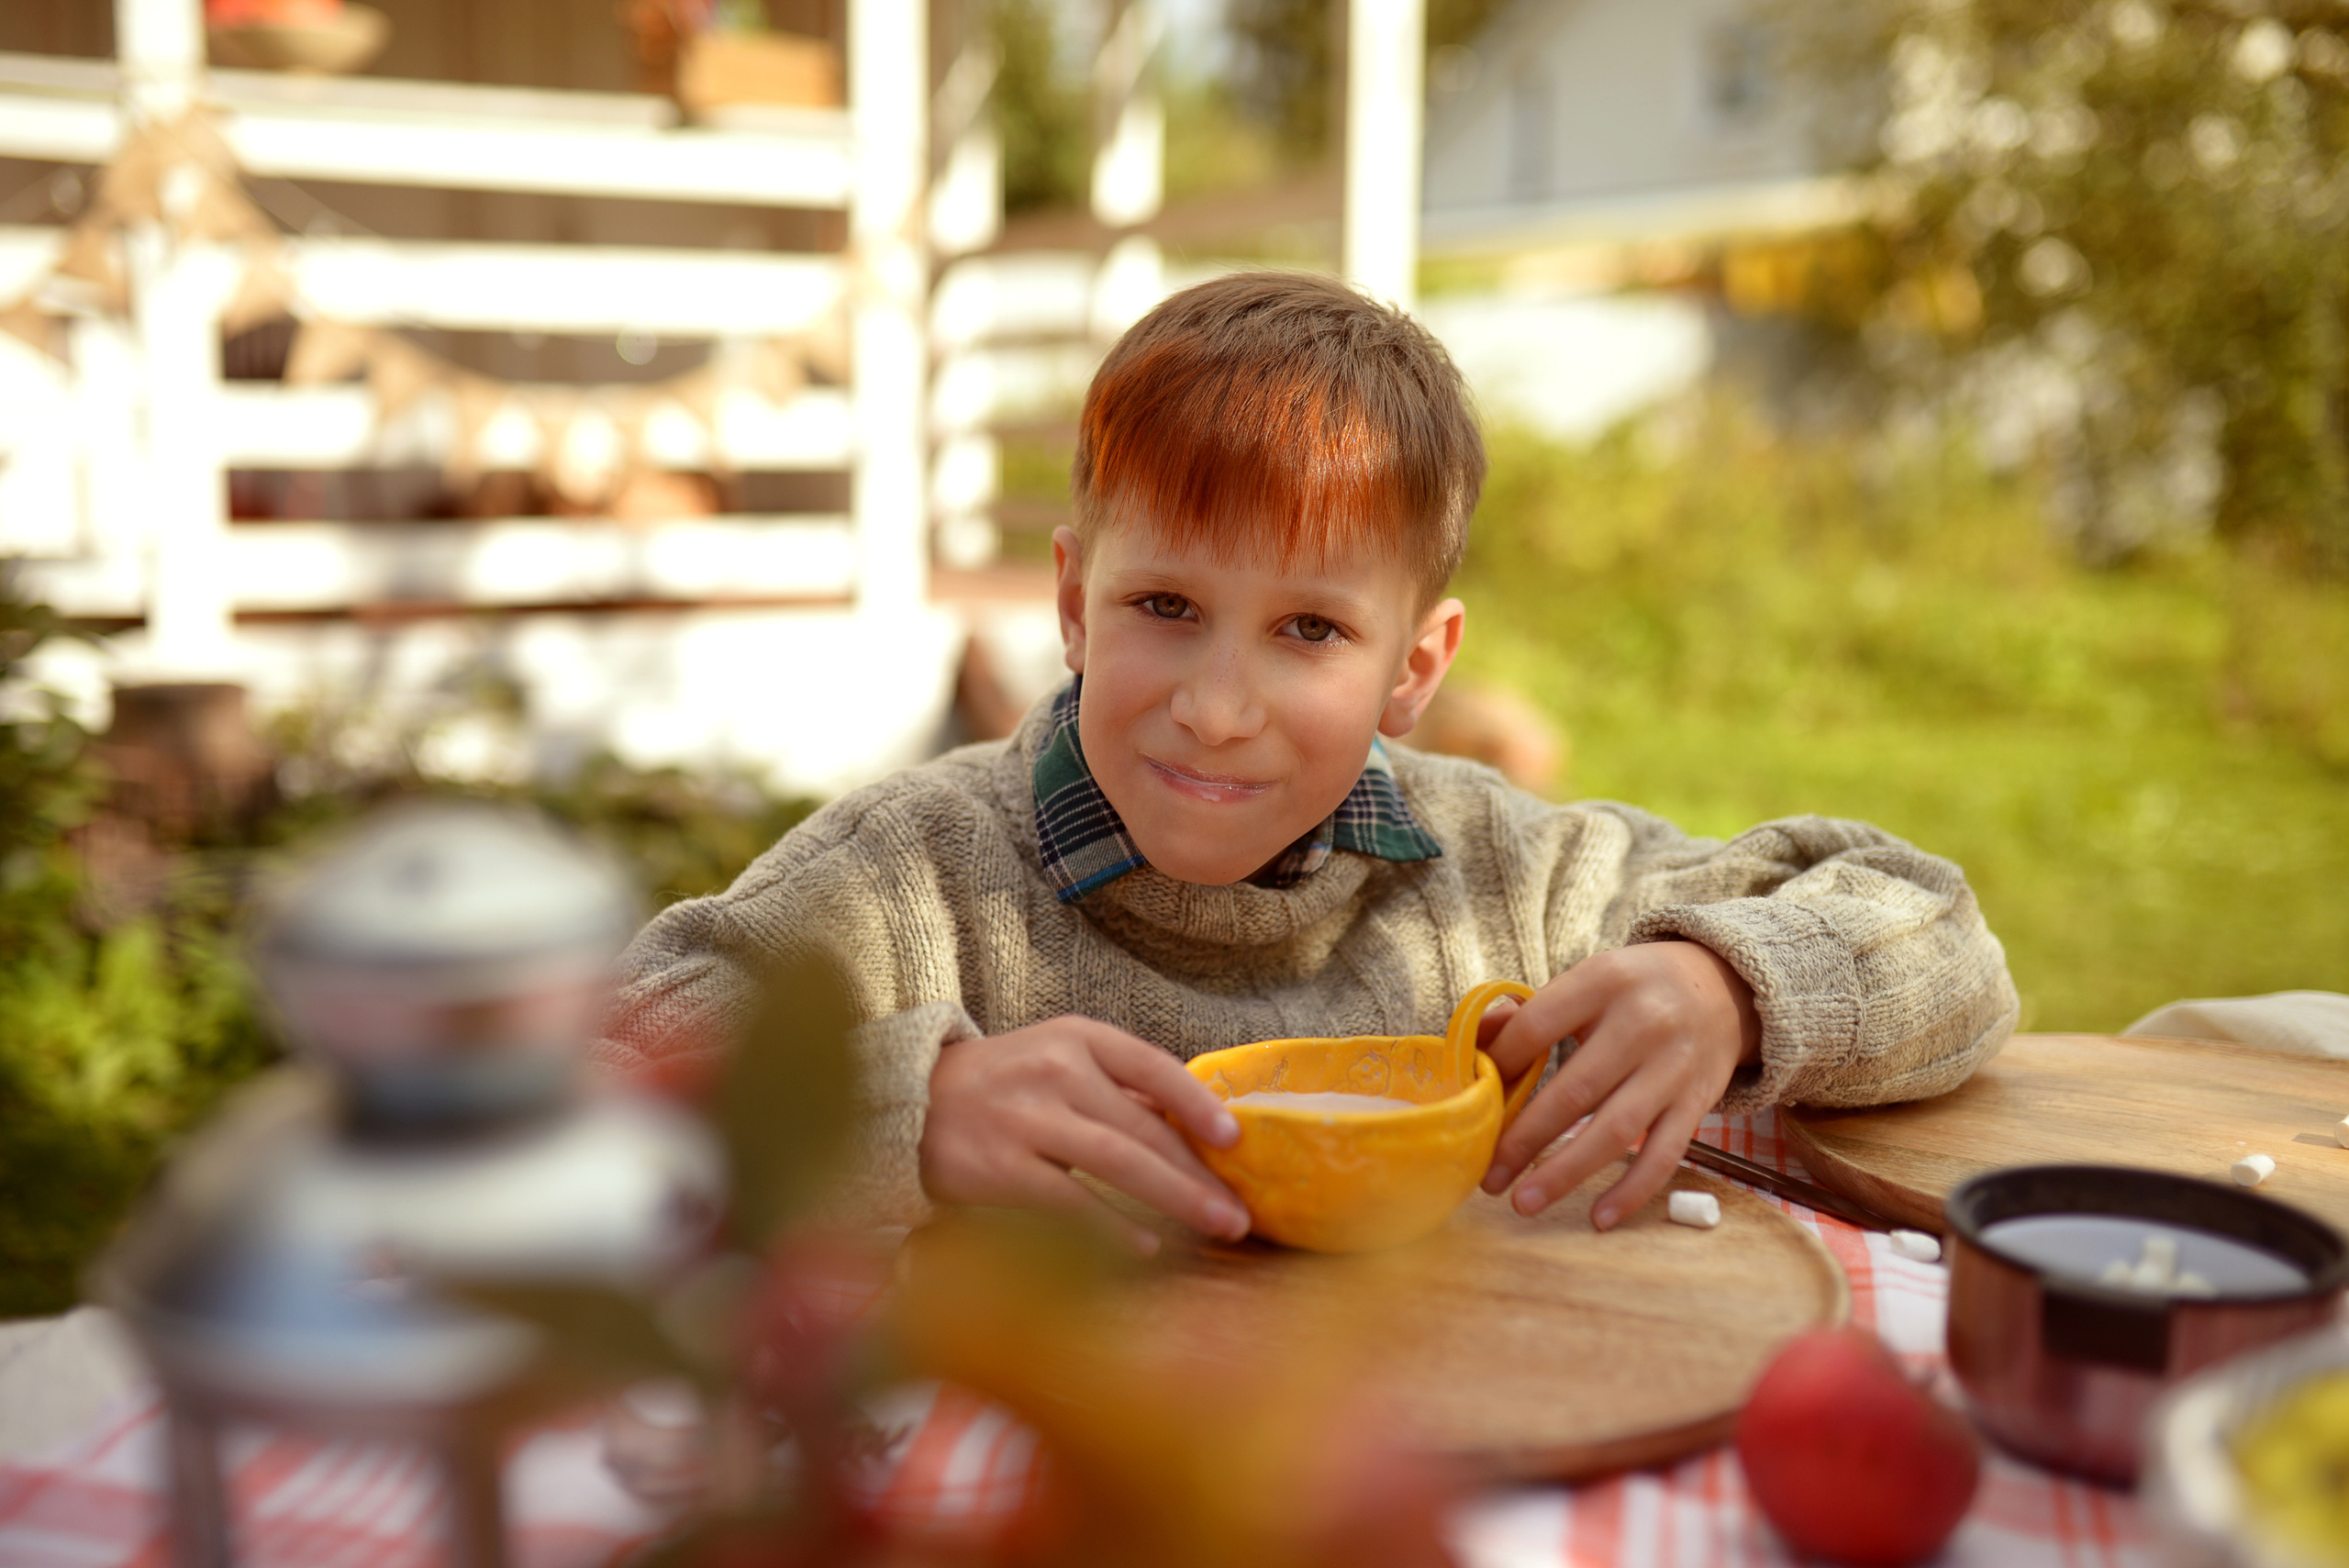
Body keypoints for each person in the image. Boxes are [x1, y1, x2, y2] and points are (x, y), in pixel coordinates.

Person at [601, 272, 2018, 1251]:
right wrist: (915, 1106)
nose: (1221, 710)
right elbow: (615, 1063)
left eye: (1309, 629)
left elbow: (1940, 935)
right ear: (1073, 602)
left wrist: (1730, 986)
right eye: (1166, 606)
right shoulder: (915, 876)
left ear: (1416, 666)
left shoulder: (1506, 880)